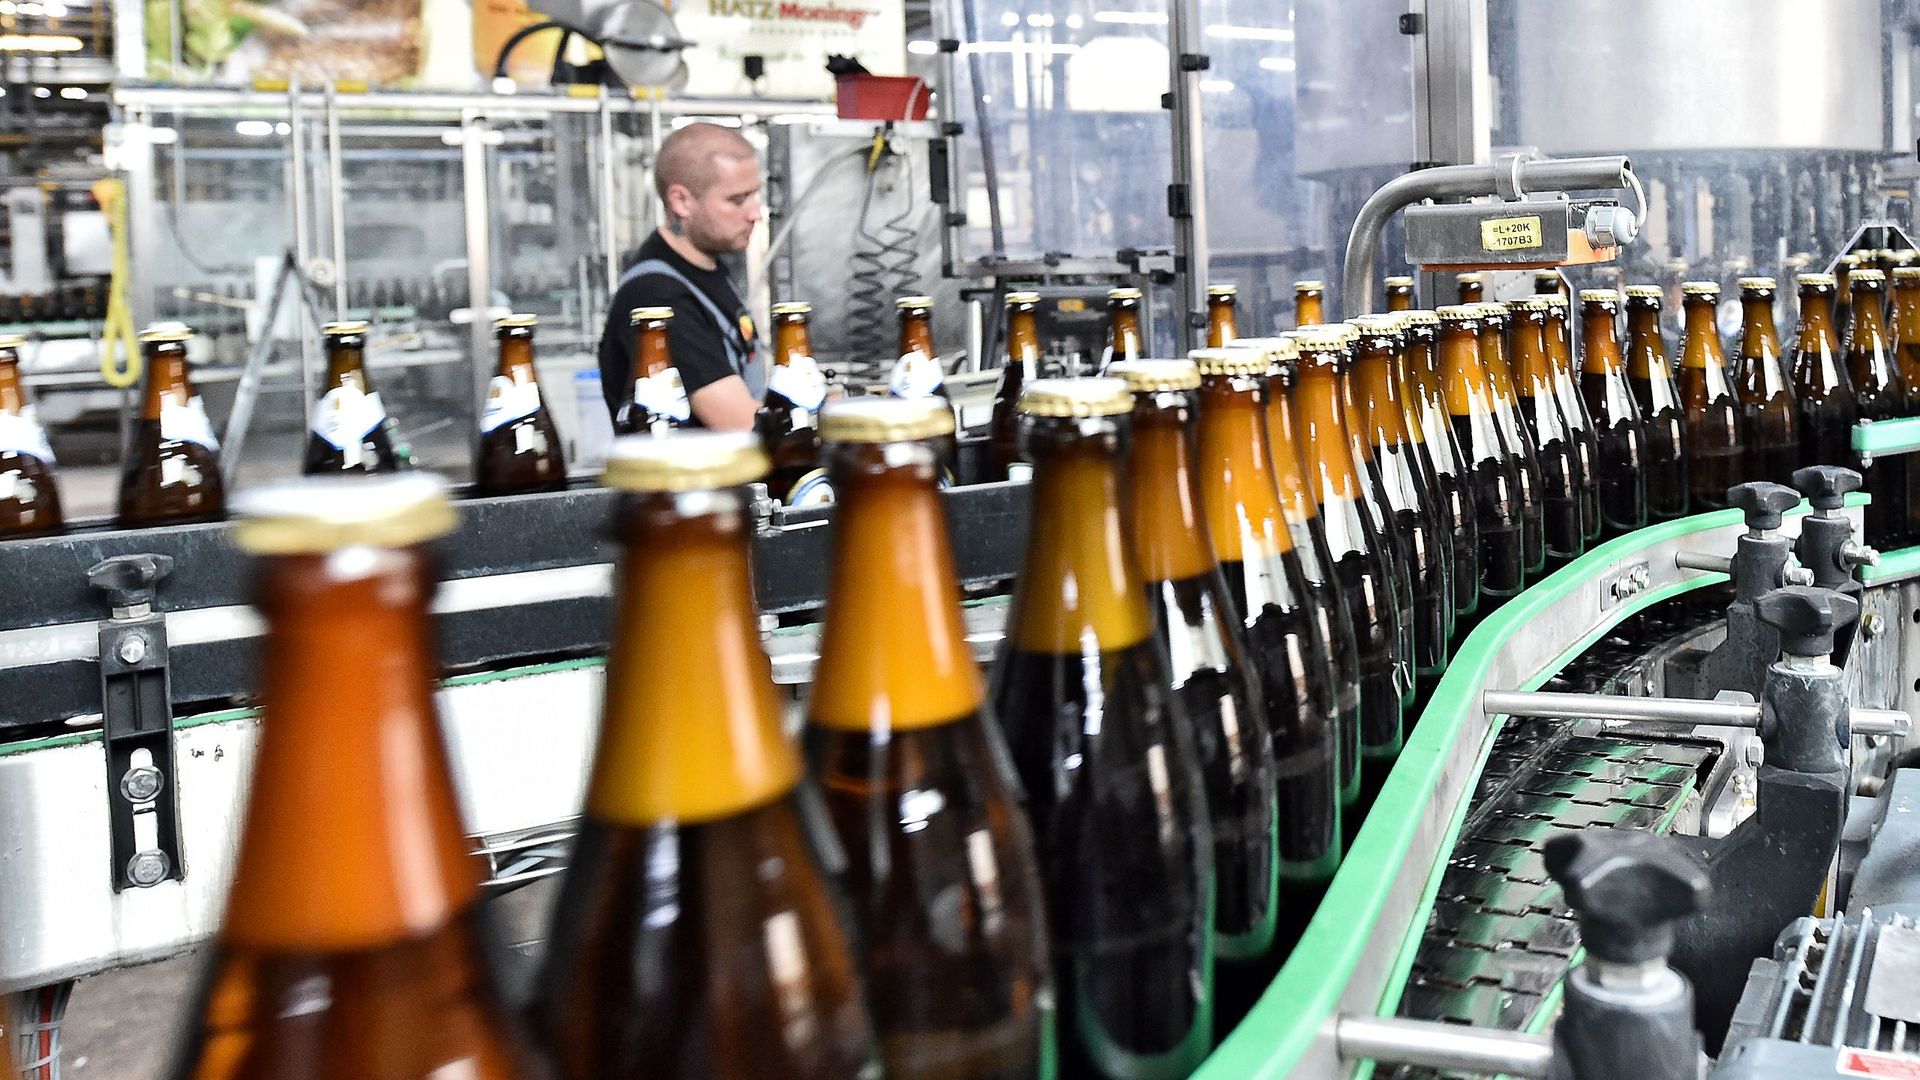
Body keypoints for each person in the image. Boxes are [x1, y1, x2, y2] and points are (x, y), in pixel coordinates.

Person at [597, 122, 764, 431]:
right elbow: (741, 423)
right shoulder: (657, 296)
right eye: (737, 200)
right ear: (681, 201)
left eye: (755, 195)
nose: (755, 213)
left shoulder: (707, 267)